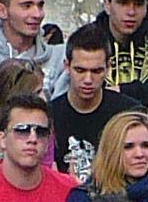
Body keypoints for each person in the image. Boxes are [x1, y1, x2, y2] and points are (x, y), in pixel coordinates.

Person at [50, 23, 121, 183]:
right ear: (67, 66)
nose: (88, 80)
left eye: (96, 71)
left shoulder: (126, 112)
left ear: (108, 67)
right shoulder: (49, 115)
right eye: (80, 70)